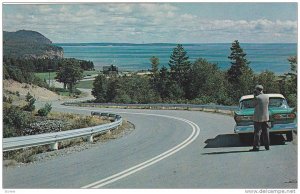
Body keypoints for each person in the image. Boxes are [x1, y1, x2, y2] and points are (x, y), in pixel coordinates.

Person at [250, 85, 270, 151]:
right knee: (266, 132)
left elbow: (253, 104)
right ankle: (267, 146)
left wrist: (254, 96)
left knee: (257, 132)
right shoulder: (267, 97)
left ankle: (256, 147)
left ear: (257, 90)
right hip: (265, 117)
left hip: (258, 117)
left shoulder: (257, 97)